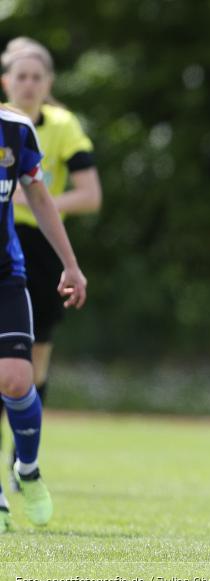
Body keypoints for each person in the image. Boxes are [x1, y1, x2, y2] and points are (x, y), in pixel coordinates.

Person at [0, 37, 102, 491]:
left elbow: (90, 195)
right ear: (6, 81)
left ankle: (22, 459)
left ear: (49, 83)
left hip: (34, 250)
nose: (27, 83)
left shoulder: (54, 127)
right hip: (12, 236)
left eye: (36, 76)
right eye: (19, 76)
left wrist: (36, 197)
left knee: (29, 369)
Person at [0, 102, 88, 533]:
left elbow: (38, 195)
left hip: (5, 274)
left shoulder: (15, 130)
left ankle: (28, 470)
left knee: (18, 378)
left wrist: (69, 263)